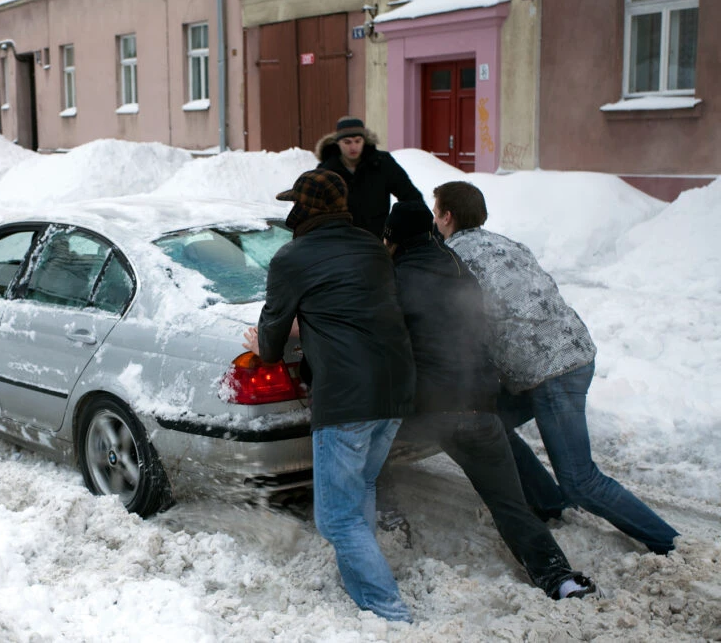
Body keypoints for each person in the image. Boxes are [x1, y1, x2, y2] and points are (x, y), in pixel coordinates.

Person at [432, 181, 680, 555]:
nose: (435, 221)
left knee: (581, 480)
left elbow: (461, 321)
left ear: (447, 216)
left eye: (436, 212)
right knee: (490, 422)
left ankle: (669, 541)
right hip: (573, 352)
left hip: (551, 372)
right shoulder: (508, 243)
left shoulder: (454, 259)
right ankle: (549, 503)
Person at [383, 200, 596, 600]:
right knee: (510, 504)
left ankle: (390, 521)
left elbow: (388, 347)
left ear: (392, 240)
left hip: (431, 409)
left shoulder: (395, 280)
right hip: (480, 404)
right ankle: (560, 579)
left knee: (361, 441)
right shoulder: (459, 270)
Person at [243, 169, 415, 622]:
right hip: (396, 387)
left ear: (303, 210)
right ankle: (362, 591)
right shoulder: (372, 247)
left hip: (347, 397)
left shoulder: (291, 257)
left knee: (335, 518)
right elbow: (354, 305)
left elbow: (271, 339)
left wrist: (261, 345)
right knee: (362, 488)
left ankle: (390, 612)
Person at [314, 116, 423, 238]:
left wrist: (400, 228)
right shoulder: (326, 170)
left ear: (364, 140)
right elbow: (314, 209)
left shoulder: (382, 163)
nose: (353, 147)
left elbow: (411, 197)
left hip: (377, 239)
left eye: (357, 140)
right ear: (338, 142)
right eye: (347, 142)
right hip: (341, 242)